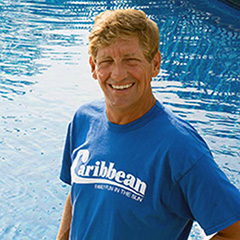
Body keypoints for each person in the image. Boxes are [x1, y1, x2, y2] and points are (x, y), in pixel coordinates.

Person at [57, 9, 240, 240]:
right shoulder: (83, 120)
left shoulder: (180, 147)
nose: (118, 74)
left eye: (130, 60)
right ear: (93, 66)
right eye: (107, 61)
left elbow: (234, 231)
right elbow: (77, 195)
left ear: (155, 63)